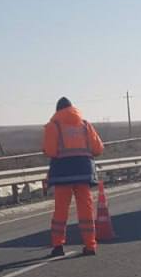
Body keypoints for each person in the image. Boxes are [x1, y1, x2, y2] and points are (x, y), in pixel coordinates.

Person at [42, 97, 104, 256]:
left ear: (57, 111)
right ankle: (90, 245)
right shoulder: (85, 125)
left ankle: (58, 246)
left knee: (61, 210)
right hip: (83, 172)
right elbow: (98, 149)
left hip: (63, 173)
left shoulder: (53, 126)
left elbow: (49, 151)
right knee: (86, 209)